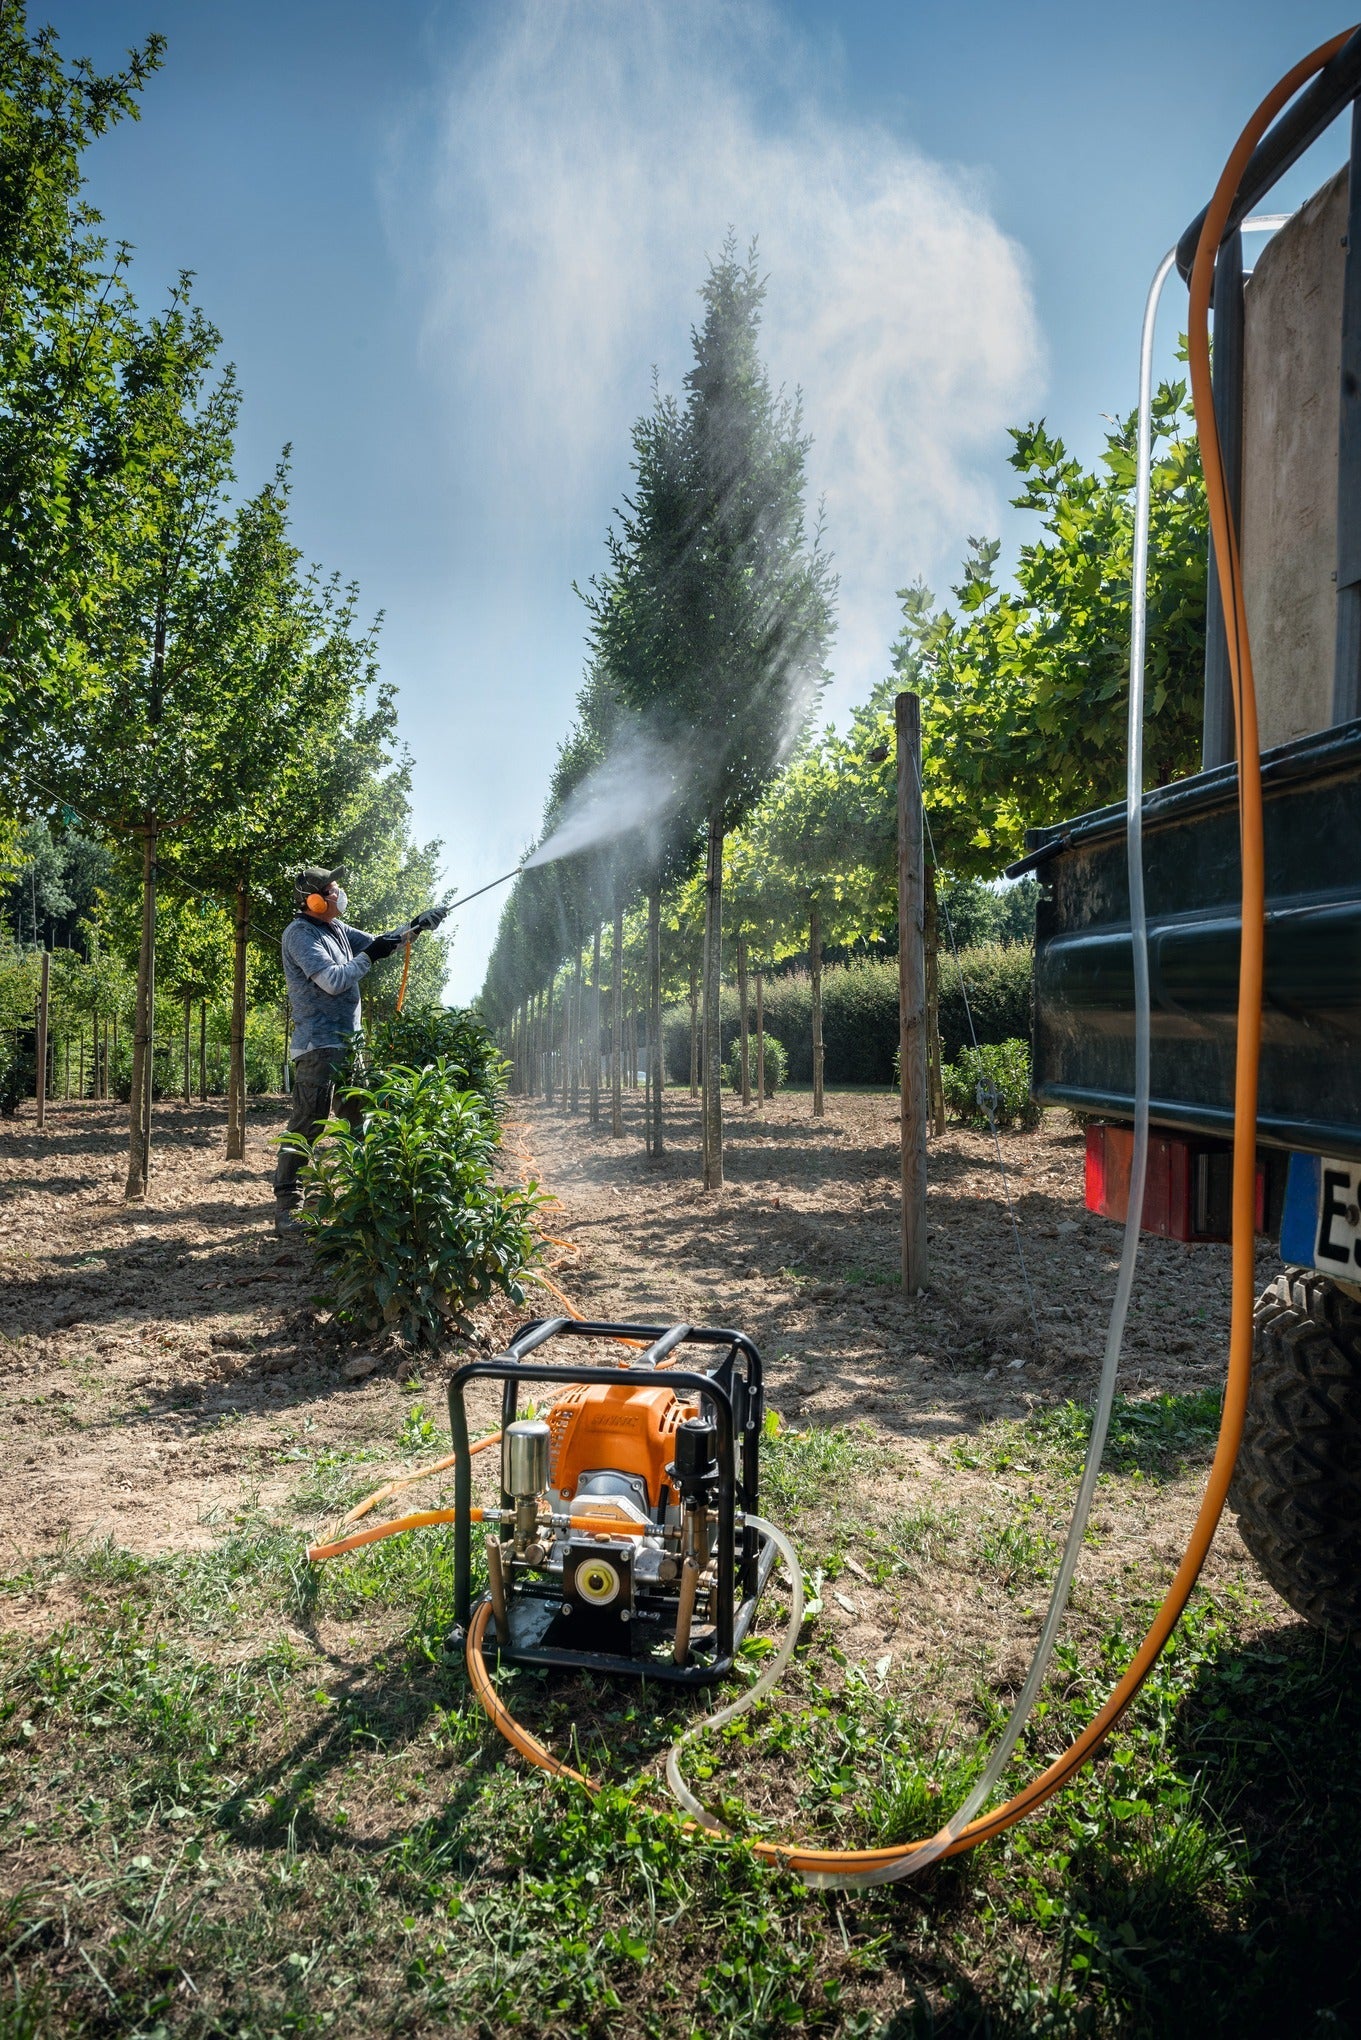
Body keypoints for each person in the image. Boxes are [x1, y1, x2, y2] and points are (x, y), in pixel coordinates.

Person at [272, 866, 446, 1234]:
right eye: (333, 890)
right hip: (319, 1045)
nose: (339, 893)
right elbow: (334, 981)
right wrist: (371, 957)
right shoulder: (300, 934)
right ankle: (288, 1204)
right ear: (314, 900)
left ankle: (364, 1194)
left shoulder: (334, 928)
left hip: (349, 1044)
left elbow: (380, 941)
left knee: (360, 1121)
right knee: (307, 1125)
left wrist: (415, 926)